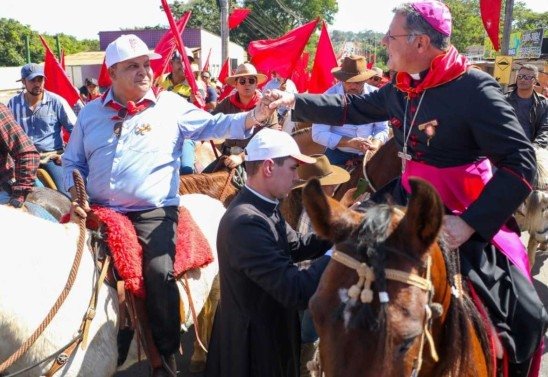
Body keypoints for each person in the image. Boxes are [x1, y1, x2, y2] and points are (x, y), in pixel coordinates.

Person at [264, 1, 548, 375]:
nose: (384, 41)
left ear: (420, 42)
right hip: (406, 196)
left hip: (462, 210)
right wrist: (294, 101)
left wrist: (470, 225)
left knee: (527, 314)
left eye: (391, 35)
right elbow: (353, 108)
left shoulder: (475, 89)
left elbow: (521, 162)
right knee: (335, 261)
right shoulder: (402, 85)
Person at [62, 34, 271, 377]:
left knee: (159, 272)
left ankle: (166, 357)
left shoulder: (170, 106)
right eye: (133, 66)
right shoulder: (89, 115)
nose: (145, 71)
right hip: (97, 208)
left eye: (146, 64)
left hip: (153, 211)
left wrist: (253, 117)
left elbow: (216, 124)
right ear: (112, 72)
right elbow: (72, 161)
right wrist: (76, 190)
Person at [204, 128, 332, 377]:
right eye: (293, 168)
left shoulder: (263, 208)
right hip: (254, 353)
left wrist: (339, 231)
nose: (297, 177)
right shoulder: (246, 222)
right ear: (269, 167)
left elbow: (296, 246)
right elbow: (294, 290)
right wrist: (339, 252)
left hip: (268, 338)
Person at [291, 154, 351, 377]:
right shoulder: (312, 213)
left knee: (306, 335)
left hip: (307, 280)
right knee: (308, 336)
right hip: (313, 283)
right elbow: (312, 253)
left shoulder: (309, 207)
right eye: (330, 183)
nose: (335, 185)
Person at [7, 63, 76, 197]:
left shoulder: (57, 102)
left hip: (51, 158)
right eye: (32, 80)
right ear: (23, 82)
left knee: (67, 194)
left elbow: (77, 131)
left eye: (40, 79)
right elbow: (6, 134)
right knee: (8, 196)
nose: (37, 84)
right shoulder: (12, 104)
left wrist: (67, 155)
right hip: (22, 160)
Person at [311, 55, 389, 167]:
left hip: (369, 153)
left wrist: (375, 144)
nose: (352, 86)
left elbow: (382, 128)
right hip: (337, 153)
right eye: (348, 82)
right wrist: (349, 142)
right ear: (341, 79)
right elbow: (318, 133)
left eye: (357, 82)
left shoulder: (376, 96)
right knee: (328, 183)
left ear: (365, 79)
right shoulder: (328, 98)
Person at [203, 62, 278, 172]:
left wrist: (242, 157)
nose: (247, 84)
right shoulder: (226, 103)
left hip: (257, 160)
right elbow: (210, 124)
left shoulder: (267, 106)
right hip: (228, 158)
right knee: (205, 180)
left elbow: (271, 139)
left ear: (256, 84)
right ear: (236, 84)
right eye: (242, 81)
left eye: (251, 80)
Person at [0, 103, 55, 221]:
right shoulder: (14, 102)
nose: (36, 83)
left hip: (5, 190)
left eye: (39, 81)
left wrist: (17, 200)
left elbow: (27, 153)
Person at [156, 49, 203, 175]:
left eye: (187, 62)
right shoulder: (159, 80)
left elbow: (200, 114)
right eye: (179, 61)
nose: (183, 65)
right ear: (171, 63)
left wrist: (196, 101)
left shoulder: (196, 86)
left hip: (185, 134)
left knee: (185, 169)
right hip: (159, 130)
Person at [506, 64, 548, 148]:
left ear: (535, 81)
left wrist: (534, 148)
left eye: (527, 77)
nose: (522, 80)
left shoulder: (543, 103)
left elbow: (545, 130)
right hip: (505, 149)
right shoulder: (504, 100)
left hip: (531, 150)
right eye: (520, 76)